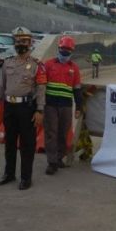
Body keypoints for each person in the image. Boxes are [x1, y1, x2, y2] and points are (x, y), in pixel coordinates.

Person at [0, 26, 46, 190]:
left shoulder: (37, 65)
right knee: (9, 142)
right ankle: (9, 174)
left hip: (26, 108)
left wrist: (40, 110)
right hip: (10, 107)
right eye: (18, 41)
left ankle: (25, 177)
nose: (21, 44)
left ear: (30, 43)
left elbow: (41, 89)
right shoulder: (7, 63)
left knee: (27, 144)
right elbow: (1, 85)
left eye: (24, 41)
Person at [43, 36, 83, 175]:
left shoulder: (75, 69)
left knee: (63, 133)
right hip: (50, 105)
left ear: (72, 52)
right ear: (58, 49)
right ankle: (51, 162)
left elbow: (77, 89)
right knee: (51, 133)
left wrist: (79, 107)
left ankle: (59, 158)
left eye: (68, 50)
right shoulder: (48, 65)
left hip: (66, 106)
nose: (65, 53)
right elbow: (41, 86)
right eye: (63, 50)